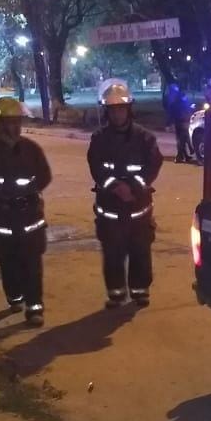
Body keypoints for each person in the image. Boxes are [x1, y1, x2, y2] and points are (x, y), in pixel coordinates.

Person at [0, 97, 52, 327]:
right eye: (9, 122)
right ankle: (15, 297)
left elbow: (44, 176)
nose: (15, 127)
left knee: (33, 265)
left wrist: (30, 193)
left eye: (17, 122)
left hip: (29, 217)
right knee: (10, 264)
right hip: (1, 220)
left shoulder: (31, 149)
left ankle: (35, 308)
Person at [87, 80, 163, 309]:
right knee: (113, 254)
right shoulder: (99, 139)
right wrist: (115, 187)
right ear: (107, 112)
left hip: (137, 208)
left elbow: (153, 165)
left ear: (128, 109)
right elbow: (96, 168)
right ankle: (116, 293)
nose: (118, 114)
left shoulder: (145, 138)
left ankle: (140, 291)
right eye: (113, 110)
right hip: (110, 209)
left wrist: (134, 188)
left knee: (140, 251)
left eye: (121, 109)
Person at [166, 83, 195, 164]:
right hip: (182, 120)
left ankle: (183, 156)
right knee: (182, 139)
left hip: (180, 121)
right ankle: (181, 156)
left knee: (181, 139)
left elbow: (171, 113)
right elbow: (186, 106)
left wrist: (168, 123)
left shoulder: (173, 99)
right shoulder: (180, 97)